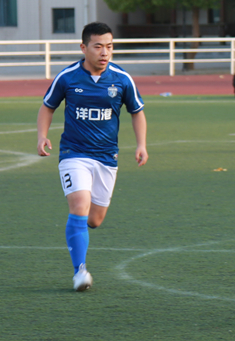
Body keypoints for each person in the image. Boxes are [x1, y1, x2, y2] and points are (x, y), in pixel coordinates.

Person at [36, 22, 148, 292]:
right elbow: (48, 106)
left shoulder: (122, 78)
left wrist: (141, 144)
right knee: (79, 205)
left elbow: (137, 112)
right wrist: (42, 135)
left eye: (109, 46)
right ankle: (80, 272)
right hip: (73, 154)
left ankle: (78, 230)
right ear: (83, 48)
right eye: (98, 46)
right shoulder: (68, 77)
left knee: (94, 220)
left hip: (107, 158)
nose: (104, 52)